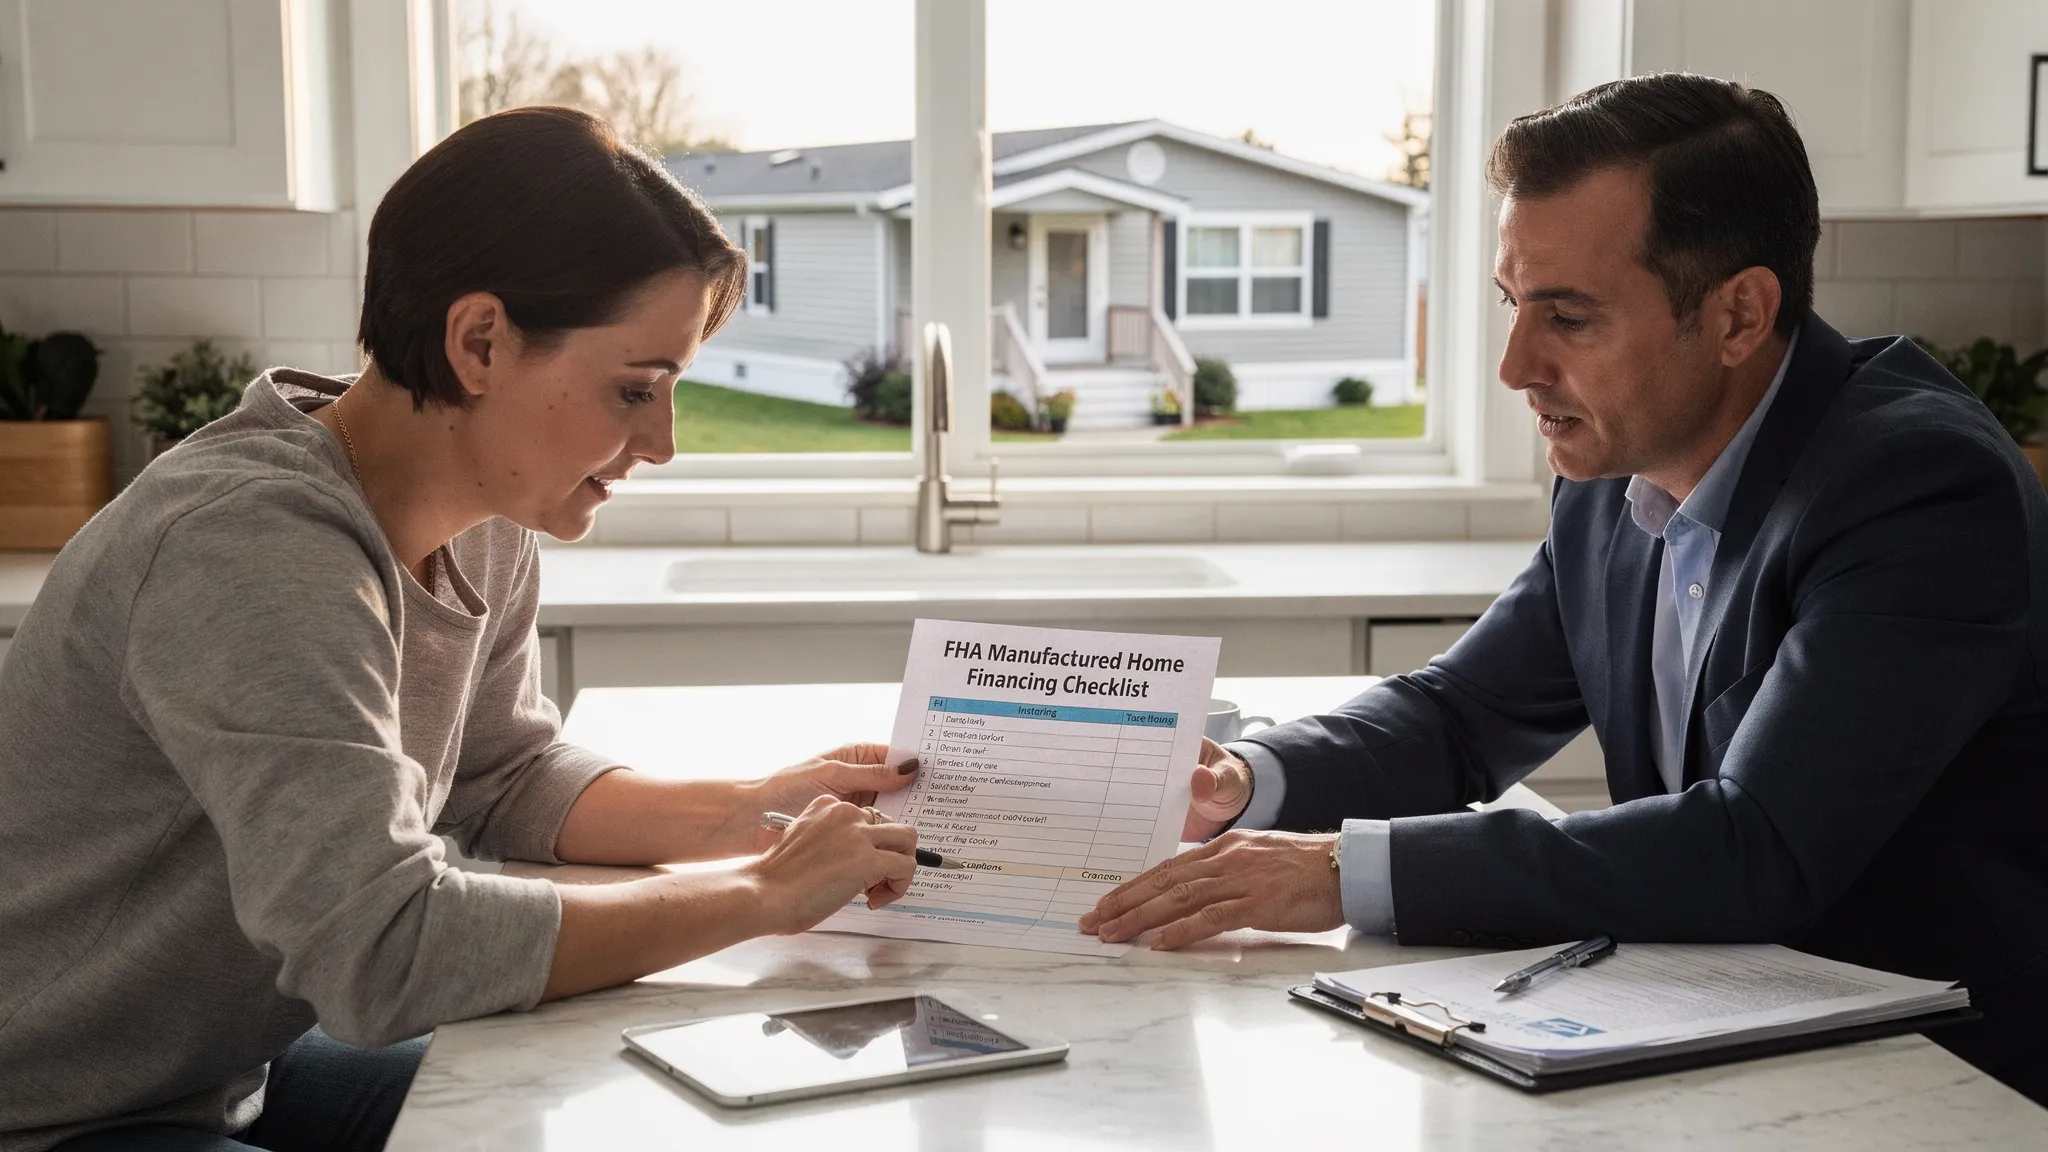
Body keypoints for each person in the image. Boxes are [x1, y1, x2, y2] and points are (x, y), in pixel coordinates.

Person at [1081, 73, 2048, 1105]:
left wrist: (1332, 872)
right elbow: (1463, 715)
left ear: (1737, 314)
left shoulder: (1915, 487)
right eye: (1512, 304)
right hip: (1723, 1026)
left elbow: (1754, 845)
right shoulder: (1614, 470)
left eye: (1569, 318)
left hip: (1939, 1081)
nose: (1512, 366)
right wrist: (1245, 778)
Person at [0, 107, 924, 1152]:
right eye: (635, 389)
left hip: (218, 1069)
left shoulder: (477, 516)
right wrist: (760, 891)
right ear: (478, 341)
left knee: (611, 1110)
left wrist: (758, 808)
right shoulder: (246, 549)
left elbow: (499, 777)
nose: (660, 444)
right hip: (53, 1114)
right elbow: (384, 949)